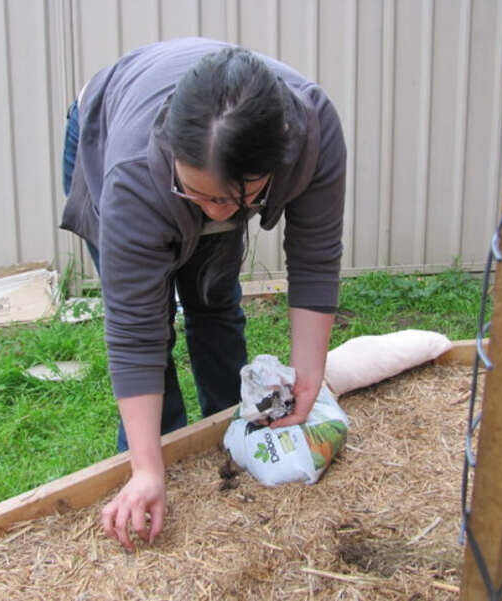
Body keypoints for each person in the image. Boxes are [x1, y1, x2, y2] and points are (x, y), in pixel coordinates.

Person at [60, 37, 345, 551]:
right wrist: (149, 468)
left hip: (214, 161)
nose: (215, 214)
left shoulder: (314, 134)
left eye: (230, 199)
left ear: (275, 166)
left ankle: (232, 432)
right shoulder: (131, 176)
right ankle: (149, 469)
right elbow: (132, 328)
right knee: (155, 326)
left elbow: (315, 258)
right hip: (108, 127)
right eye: (195, 194)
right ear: (173, 155)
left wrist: (307, 377)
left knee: (214, 301)